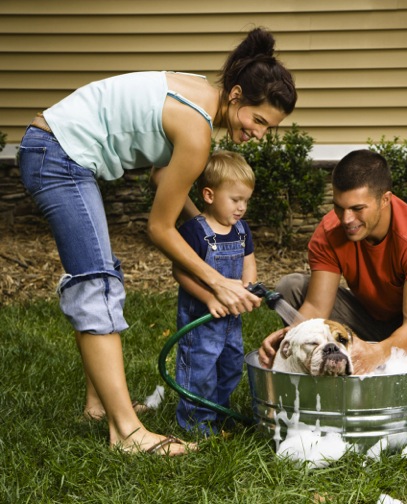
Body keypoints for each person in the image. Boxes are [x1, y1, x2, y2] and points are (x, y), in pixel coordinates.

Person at [18, 27, 297, 456]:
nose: (259, 133)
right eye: (257, 120)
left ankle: (98, 407)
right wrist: (217, 282)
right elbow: (158, 228)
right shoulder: (197, 129)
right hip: (57, 156)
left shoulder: (200, 92)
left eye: (269, 128)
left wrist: (203, 223)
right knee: (96, 282)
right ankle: (127, 433)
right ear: (237, 95)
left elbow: (163, 178)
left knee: (103, 273)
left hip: (53, 148)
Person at [259, 149, 407, 402]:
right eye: (339, 208)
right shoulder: (330, 231)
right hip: (367, 321)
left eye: (357, 208)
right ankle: (313, 382)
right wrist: (291, 335)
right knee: (292, 285)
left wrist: (377, 353)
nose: (347, 219)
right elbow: (317, 306)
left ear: (385, 200)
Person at [172, 150, 256, 436]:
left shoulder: (241, 230)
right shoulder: (194, 232)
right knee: (201, 370)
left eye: (245, 200)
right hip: (202, 320)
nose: (241, 207)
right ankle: (197, 423)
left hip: (231, 321)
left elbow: (249, 263)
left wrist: (249, 288)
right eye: (235, 200)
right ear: (209, 195)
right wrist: (209, 297)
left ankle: (220, 413)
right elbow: (180, 272)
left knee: (231, 366)